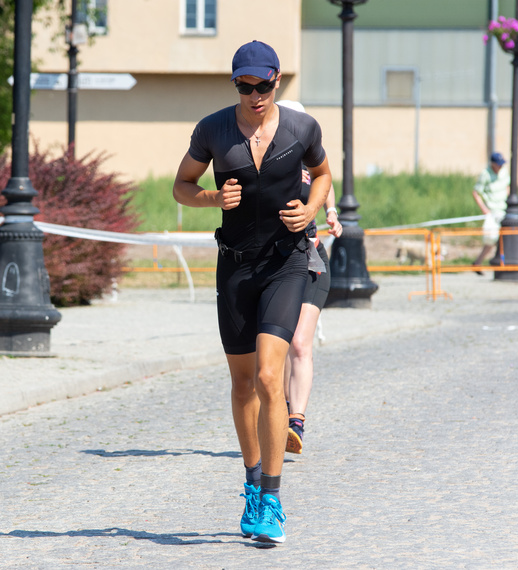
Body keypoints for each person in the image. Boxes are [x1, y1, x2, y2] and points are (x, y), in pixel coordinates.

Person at [173, 41, 331, 544]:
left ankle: (272, 497)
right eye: (245, 86)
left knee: (269, 375)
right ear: (236, 84)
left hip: (286, 264)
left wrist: (311, 211)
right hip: (236, 267)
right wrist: (212, 197)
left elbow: (324, 175)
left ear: (277, 82)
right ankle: (250, 480)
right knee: (242, 383)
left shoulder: (302, 128)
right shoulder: (212, 129)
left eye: (263, 85)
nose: (255, 94)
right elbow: (180, 185)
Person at [275, 100, 343, 455]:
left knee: (301, 343)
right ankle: (281, 413)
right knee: (278, 345)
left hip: (312, 258)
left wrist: (330, 212)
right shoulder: (263, 162)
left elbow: (323, 178)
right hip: (274, 263)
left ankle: (296, 422)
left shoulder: (309, 157)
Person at [471, 152, 510, 274]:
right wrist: (484, 209)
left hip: (504, 209)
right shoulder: (485, 174)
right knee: (491, 239)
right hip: (492, 212)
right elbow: (476, 192)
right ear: (492, 164)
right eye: (498, 165)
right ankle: (478, 262)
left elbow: (507, 186)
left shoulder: (504, 172)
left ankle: (511, 262)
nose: (500, 167)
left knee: (512, 236)